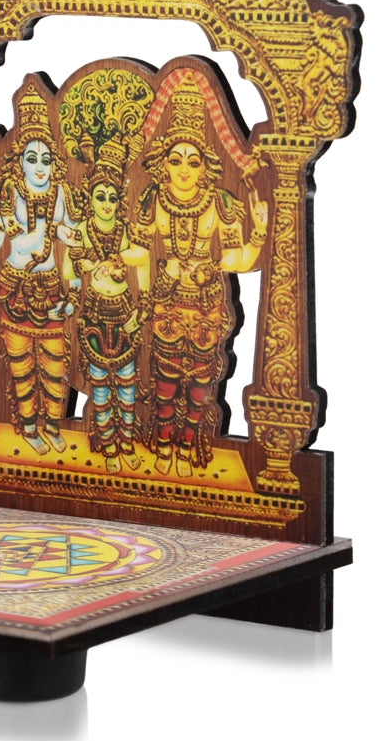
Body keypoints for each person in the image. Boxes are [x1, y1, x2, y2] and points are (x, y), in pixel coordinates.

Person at [135, 88, 268, 478]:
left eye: (193, 162)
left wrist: (259, 232)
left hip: (207, 305)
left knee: (199, 384)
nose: (183, 170)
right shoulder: (153, 200)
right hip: (167, 303)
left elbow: (237, 260)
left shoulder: (221, 203)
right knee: (165, 380)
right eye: (175, 160)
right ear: (164, 164)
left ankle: (188, 444)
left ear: (204, 167)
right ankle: (163, 443)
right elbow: (138, 254)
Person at [0, 86, 80, 456]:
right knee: (21, 366)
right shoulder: (7, 191)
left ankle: (52, 425)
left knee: (54, 364)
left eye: (46, 159)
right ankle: (29, 427)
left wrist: (75, 276)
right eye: (32, 159)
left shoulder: (61, 193)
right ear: (21, 161)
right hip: (16, 287)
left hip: (50, 288)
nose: (40, 167)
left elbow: (69, 240)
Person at [68, 141, 149, 473]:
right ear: (89, 198)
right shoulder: (83, 230)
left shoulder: (124, 230)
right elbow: (70, 266)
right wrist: (85, 267)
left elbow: (142, 260)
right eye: (100, 196)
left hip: (124, 311)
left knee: (127, 383)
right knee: (100, 383)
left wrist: (141, 309)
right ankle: (108, 445)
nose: (106, 204)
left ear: (120, 200)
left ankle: (126, 442)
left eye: (112, 198)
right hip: (95, 313)